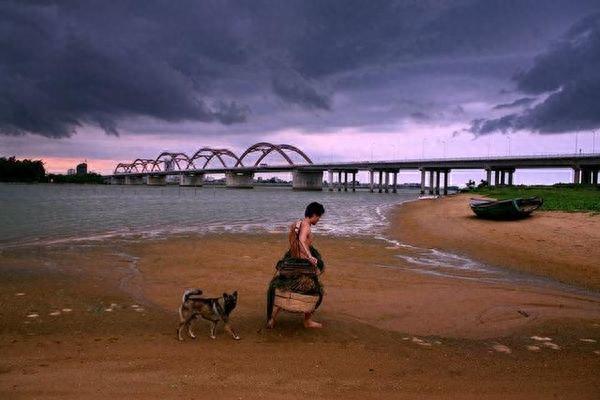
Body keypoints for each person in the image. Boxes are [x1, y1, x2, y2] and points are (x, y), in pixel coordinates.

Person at [266, 202, 325, 329]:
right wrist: (310, 256)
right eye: (319, 217)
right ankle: (307, 321)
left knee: (287, 289)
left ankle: (272, 319)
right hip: (302, 264)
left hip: (291, 262)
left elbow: (294, 242)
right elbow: (302, 240)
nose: (319, 220)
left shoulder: (296, 224)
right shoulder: (306, 226)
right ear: (314, 214)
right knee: (316, 290)